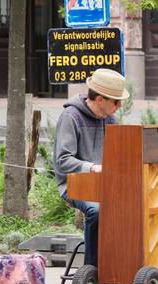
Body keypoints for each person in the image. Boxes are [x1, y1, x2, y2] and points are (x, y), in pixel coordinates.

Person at [53, 68, 129, 267]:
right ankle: (92, 271)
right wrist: (91, 167)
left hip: (105, 184)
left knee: (135, 205)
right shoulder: (71, 117)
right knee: (97, 210)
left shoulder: (111, 120)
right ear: (100, 99)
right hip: (74, 184)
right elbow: (62, 160)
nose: (120, 105)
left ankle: (120, 266)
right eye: (116, 101)